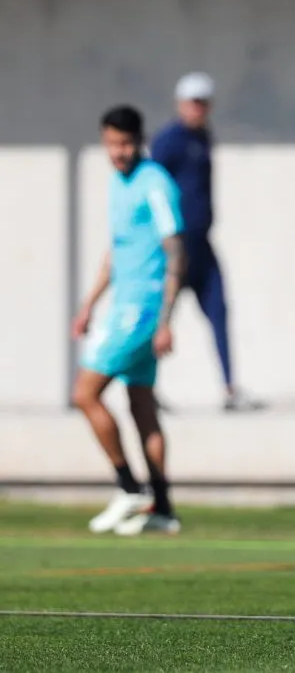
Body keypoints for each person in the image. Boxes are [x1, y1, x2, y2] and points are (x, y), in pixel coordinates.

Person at [72, 105, 185, 536]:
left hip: (142, 310)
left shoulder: (155, 183)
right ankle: (163, 507)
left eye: (125, 144)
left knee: (84, 393)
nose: (118, 152)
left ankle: (128, 486)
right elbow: (116, 252)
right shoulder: (118, 184)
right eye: (111, 144)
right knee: (141, 406)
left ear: (140, 140)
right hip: (122, 305)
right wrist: (89, 304)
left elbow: (176, 248)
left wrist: (166, 320)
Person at [150, 72, 263, 412]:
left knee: (219, 311)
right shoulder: (168, 140)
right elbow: (153, 188)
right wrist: (166, 240)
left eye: (202, 103)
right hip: (176, 246)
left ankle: (230, 390)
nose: (197, 109)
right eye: (191, 102)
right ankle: (146, 390)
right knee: (162, 317)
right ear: (180, 103)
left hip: (202, 244)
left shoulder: (204, 138)